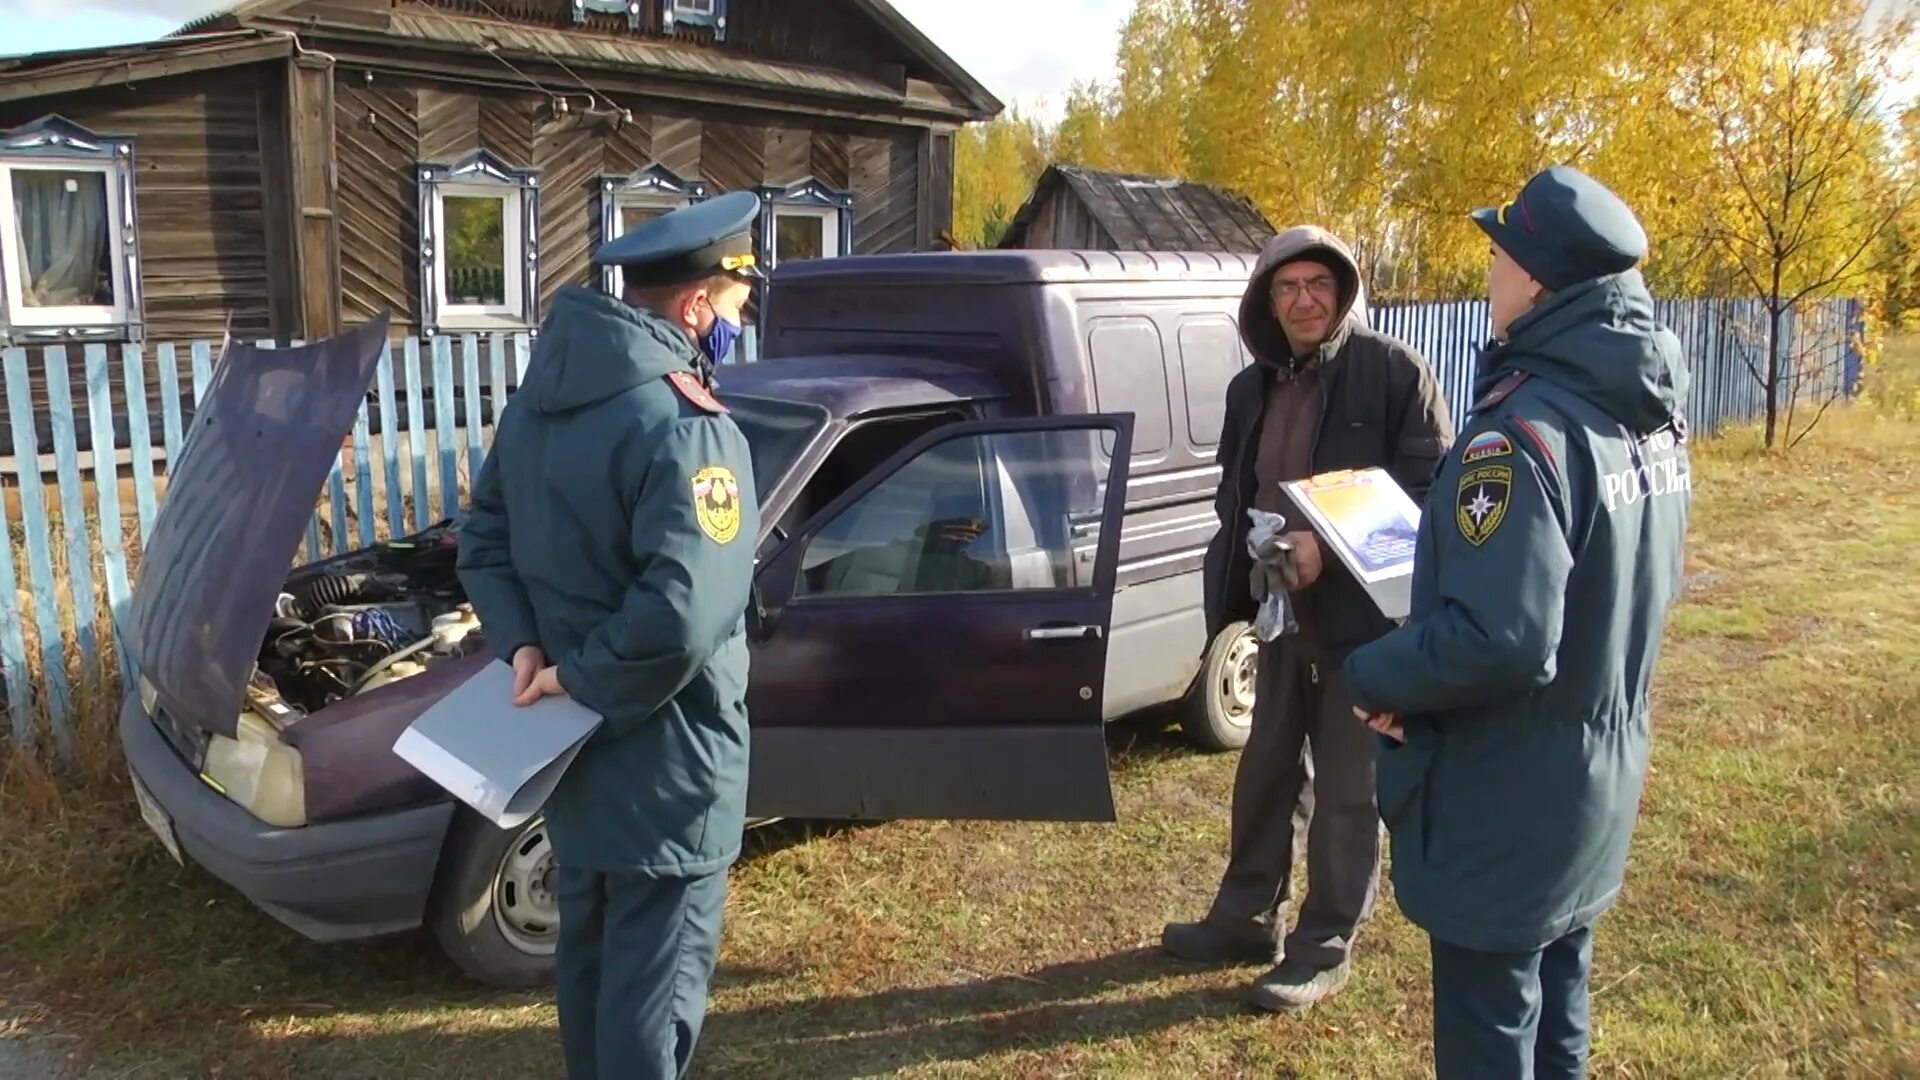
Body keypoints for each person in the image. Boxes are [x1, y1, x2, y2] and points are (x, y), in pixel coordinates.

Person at [1344, 165, 1692, 1079]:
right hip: (1591, 785)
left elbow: (1501, 638)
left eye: (1497, 254)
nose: (1487, 272)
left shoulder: (1521, 434)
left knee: (1491, 1035)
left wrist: (1377, 677)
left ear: (1536, 279)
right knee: (1559, 1016)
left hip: (1506, 801)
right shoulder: (1647, 420)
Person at [454, 190, 766, 1080]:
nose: (740, 324)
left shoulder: (543, 402)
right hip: (670, 765)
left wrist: (526, 649)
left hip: (575, 758)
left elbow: (484, 538)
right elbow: (685, 610)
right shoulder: (684, 425)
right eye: (737, 305)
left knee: (591, 974)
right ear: (697, 305)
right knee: (650, 1005)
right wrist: (577, 677)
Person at [1161, 225, 1455, 1012]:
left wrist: (1327, 544)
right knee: (1264, 772)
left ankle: (1324, 945)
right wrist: (1232, 598)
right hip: (1278, 614)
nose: (1303, 300)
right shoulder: (1248, 390)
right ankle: (1245, 918)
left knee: (1349, 792)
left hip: (1365, 628)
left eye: (1318, 285)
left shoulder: (1395, 374)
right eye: (1286, 288)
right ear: (1267, 302)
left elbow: (1433, 504)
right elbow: (1237, 498)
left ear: (1343, 293)